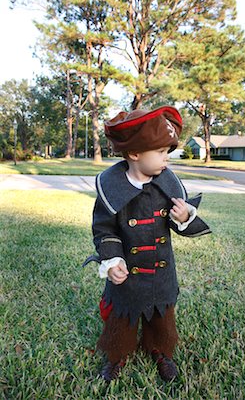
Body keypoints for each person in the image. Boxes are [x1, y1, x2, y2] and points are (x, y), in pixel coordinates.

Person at [83, 106, 211, 383]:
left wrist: (185, 217)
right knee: (122, 318)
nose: (167, 159)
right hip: (127, 273)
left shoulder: (168, 185)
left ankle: (160, 350)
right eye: (162, 152)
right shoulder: (112, 187)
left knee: (161, 317)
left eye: (168, 152)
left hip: (161, 270)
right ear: (135, 154)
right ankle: (117, 356)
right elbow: (103, 229)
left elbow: (182, 224)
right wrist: (113, 259)